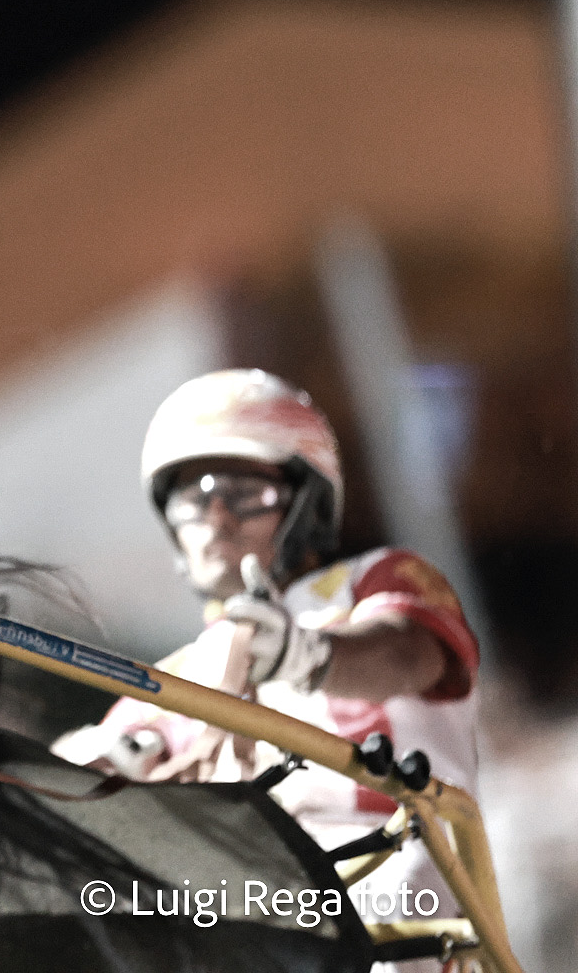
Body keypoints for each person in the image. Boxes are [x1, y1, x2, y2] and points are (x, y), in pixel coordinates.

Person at [52, 369, 479, 955]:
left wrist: (307, 654)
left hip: (391, 882)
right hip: (253, 907)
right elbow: (94, 766)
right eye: (192, 497)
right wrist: (82, 763)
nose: (217, 519)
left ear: (308, 502)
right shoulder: (168, 682)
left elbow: (409, 654)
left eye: (246, 494)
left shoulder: (374, 583)